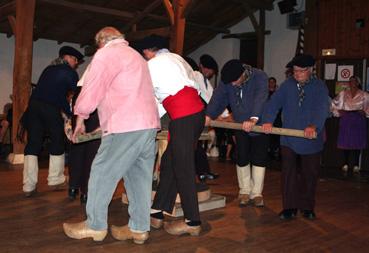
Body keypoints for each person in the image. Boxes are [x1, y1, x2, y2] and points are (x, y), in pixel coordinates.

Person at [62, 27, 160, 244]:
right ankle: (139, 228)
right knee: (139, 178)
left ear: (101, 42)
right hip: (147, 125)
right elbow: (130, 93)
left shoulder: (106, 54)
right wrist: (106, 124)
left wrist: (80, 117)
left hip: (126, 126)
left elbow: (92, 87)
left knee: (101, 171)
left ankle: (94, 225)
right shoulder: (136, 56)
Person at [139, 35, 205, 236]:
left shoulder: (153, 64)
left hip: (184, 115)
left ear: (148, 51)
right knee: (169, 161)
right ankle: (157, 211)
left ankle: (192, 221)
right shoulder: (177, 58)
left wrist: (146, 121)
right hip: (196, 113)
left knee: (183, 167)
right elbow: (192, 84)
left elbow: (152, 97)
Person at [262, 54, 330, 220]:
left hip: (311, 138)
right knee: (288, 174)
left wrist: (314, 125)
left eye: (301, 71)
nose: (297, 74)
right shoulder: (287, 86)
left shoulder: (320, 87)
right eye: (295, 71)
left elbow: (322, 109)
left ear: (311, 70)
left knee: (310, 174)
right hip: (289, 138)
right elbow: (273, 104)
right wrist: (268, 121)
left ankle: (307, 207)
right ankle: (289, 207)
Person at [205, 59, 269, 207]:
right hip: (240, 124)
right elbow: (218, 98)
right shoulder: (228, 81)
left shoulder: (259, 76)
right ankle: (244, 191)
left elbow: (261, 97)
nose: (232, 84)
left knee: (259, 158)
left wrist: (253, 118)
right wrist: (209, 115)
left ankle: (257, 193)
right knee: (242, 156)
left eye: (235, 81)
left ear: (243, 74)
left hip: (259, 123)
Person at [22, 45, 83, 197]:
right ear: (68, 58)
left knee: (33, 143)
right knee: (57, 140)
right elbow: (77, 95)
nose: (76, 64)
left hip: (33, 107)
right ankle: (55, 179)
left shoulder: (48, 69)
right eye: (75, 60)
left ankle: (28, 185)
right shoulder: (70, 72)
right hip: (50, 108)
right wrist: (72, 114)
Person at [184, 56, 219, 182]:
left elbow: (212, 95)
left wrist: (223, 113)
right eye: (208, 70)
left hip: (196, 114)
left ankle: (202, 172)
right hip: (190, 113)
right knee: (193, 146)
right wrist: (221, 114)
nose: (210, 73)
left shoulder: (203, 79)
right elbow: (207, 96)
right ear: (201, 66)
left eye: (212, 71)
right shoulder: (196, 75)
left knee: (196, 145)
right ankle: (200, 172)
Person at [331, 76, 369, 173]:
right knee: (346, 141)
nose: (352, 83)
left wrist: (365, 113)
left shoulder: (364, 95)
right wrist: (339, 112)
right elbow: (333, 104)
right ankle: (345, 163)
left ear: (358, 83)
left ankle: (356, 164)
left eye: (354, 81)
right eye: (350, 81)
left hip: (358, 119)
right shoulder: (343, 93)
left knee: (357, 141)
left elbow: (367, 108)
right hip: (347, 118)